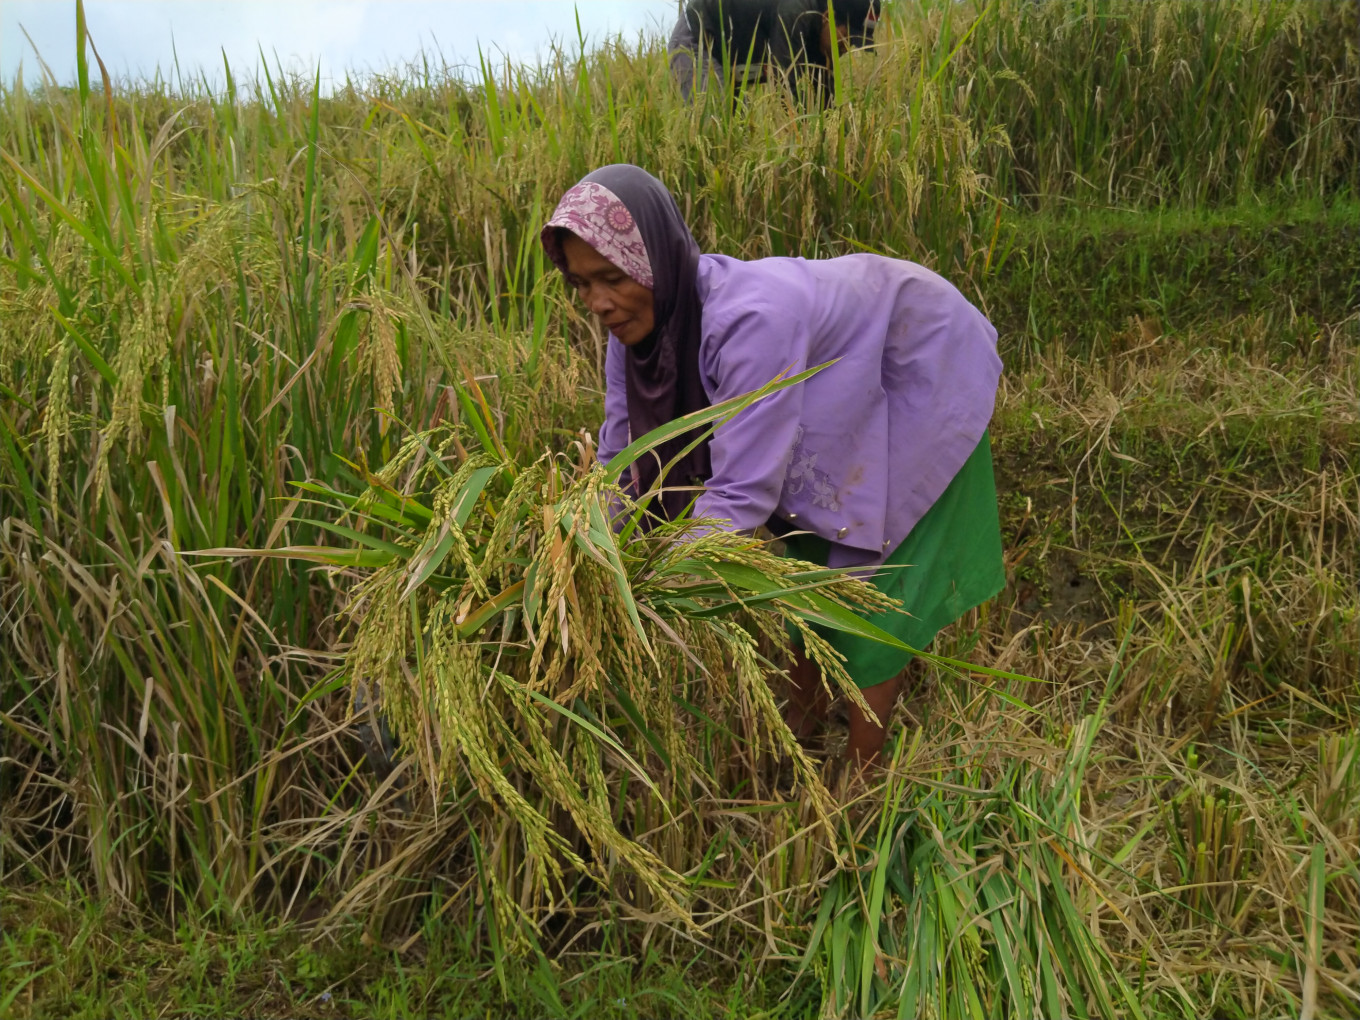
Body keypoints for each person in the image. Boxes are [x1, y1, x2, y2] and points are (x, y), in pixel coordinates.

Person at [540, 163, 1004, 768]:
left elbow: (740, 492)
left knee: (873, 581)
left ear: (655, 258)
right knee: (806, 565)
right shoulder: (632, 332)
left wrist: (649, 579)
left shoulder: (750, 321)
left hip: (917, 360)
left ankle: (860, 779)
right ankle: (801, 727)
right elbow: (619, 461)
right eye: (580, 284)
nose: (598, 303)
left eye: (612, 277)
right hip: (834, 392)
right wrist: (582, 549)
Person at [669, 0, 881, 106]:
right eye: (848, 37)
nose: (848, 48)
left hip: (734, 55)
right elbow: (786, 87)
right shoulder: (795, 13)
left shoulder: (820, 40)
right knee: (716, 127)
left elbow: (823, 99)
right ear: (827, 17)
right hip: (697, 38)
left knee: (740, 133)